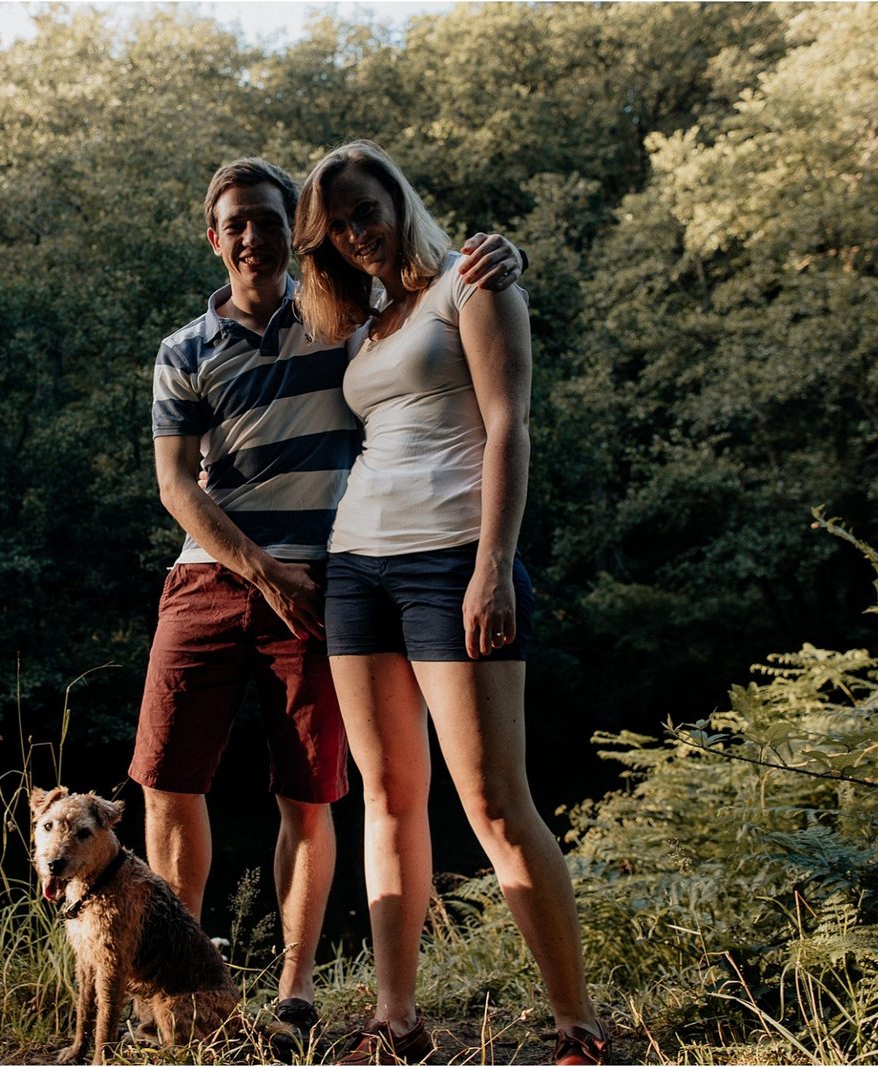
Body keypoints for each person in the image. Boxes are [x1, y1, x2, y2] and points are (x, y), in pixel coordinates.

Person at [128, 156, 525, 1046]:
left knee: (308, 797)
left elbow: (431, 316)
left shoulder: (339, 326)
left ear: (290, 232)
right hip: (210, 575)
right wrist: (263, 570)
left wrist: (495, 256)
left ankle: (294, 993)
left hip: (331, 581)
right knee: (165, 782)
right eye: (233, 222)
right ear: (213, 237)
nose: (250, 236)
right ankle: (184, 991)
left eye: (267, 219)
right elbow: (175, 488)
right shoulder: (181, 351)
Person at [291, 140, 610, 1066]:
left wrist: (491, 565)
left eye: (365, 209)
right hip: (356, 567)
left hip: (450, 561)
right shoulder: (365, 323)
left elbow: (509, 421)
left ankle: (576, 1028)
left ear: (398, 196)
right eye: (337, 225)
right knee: (388, 797)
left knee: (495, 801)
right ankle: (396, 1023)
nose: (355, 232)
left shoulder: (472, 278)